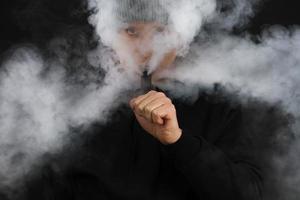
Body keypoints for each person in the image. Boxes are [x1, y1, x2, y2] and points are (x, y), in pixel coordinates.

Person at [25, 0, 263, 199]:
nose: (145, 48)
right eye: (131, 31)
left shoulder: (218, 105)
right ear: (108, 35)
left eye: (160, 31)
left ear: (181, 38)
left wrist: (177, 140)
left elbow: (248, 193)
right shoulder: (72, 102)